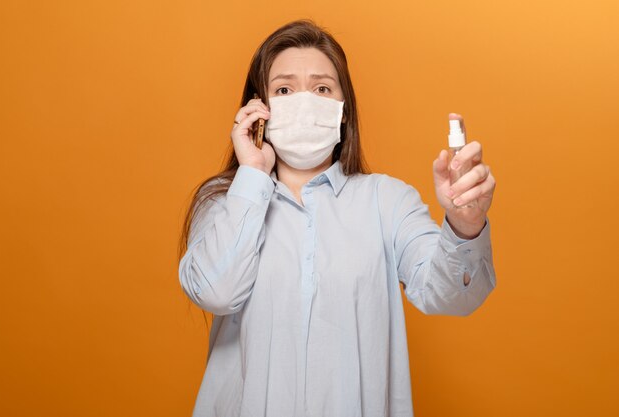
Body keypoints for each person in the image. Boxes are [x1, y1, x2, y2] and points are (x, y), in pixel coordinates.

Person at [178, 19, 496, 417]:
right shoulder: (224, 203)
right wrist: (253, 176)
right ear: (258, 110)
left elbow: (453, 295)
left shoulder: (388, 201)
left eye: (322, 88)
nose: (305, 101)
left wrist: (465, 225)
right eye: (284, 89)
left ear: (343, 111)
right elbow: (215, 292)